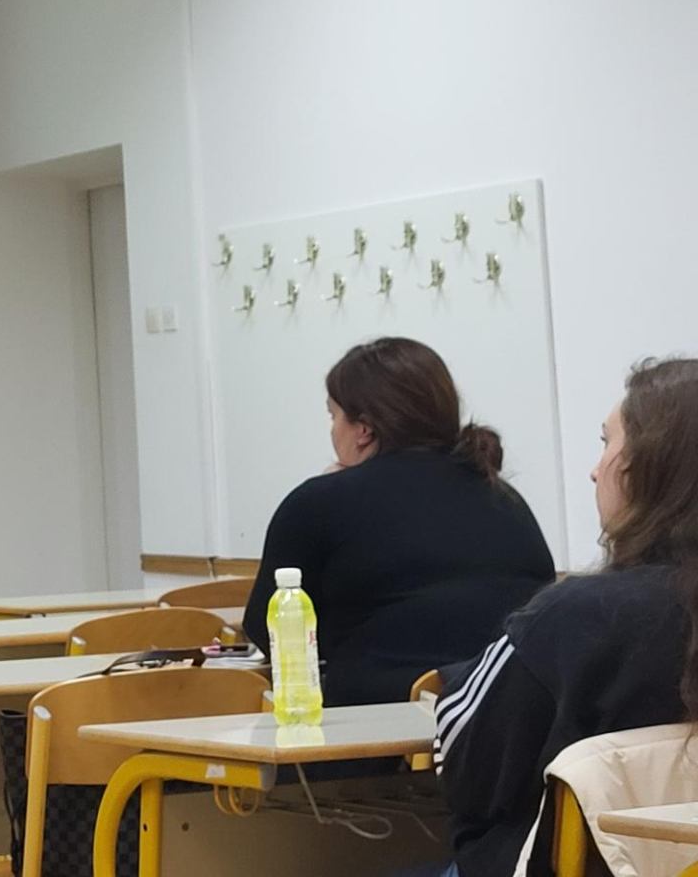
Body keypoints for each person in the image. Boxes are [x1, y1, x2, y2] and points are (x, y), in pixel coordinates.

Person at [433, 358, 698, 877]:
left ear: (649, 468)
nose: (595, 470)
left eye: (606, 443)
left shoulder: (577, 616)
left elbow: (467, 763)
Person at [243, 337, 555, 706]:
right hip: (509, 714)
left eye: (333, 416)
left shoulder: (319, 502)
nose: (332, 430)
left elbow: (270, 631)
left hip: (375, 721)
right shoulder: (505, 499)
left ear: (363, 429)